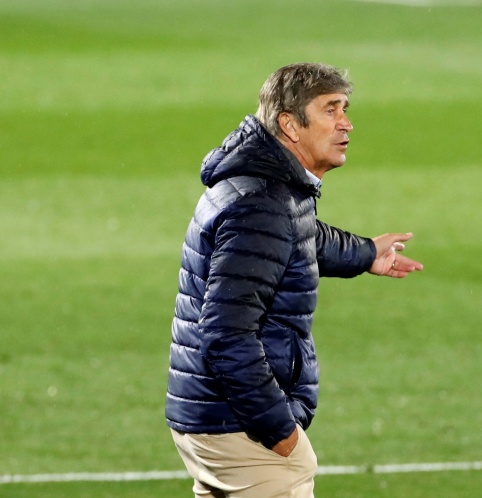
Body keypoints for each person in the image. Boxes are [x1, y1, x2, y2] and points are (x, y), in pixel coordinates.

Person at [166, 62, 423, 498]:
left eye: (344, 109)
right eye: (330, 110)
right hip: (243, 430)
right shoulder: (261, 204)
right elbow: (227, 335)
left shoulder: (265, 185)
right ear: (290, 125)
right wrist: (280, 432)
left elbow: (299, 237)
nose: (346, 123)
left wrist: (365, 253)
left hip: (213, 416)